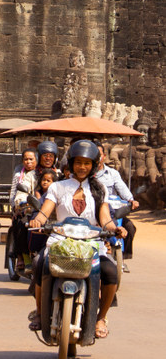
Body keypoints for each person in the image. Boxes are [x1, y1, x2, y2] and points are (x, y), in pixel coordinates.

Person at [28, 139, 125, 340]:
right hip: (60, 241)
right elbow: (45, 211)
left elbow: (105, 218)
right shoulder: (58, 187)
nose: (82, 167)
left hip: (91, 243)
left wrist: (115, 229)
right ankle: (39, 311)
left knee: (110, 270)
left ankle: (101, 317)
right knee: (39, 263)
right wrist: (38, 220)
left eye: (87, 163)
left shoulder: (100, 189)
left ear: (94, 165)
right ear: (71, 164)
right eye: (78, 162)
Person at [95, 142, 139, 271]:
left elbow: (121, 187)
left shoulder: (112, 173)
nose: (97, 157)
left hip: (112, 212)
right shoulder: (87, 174)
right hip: (93, 212)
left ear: (104, 156)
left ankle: (123, 258)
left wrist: (131, 199)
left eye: (100, 154)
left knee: (130, 227)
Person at [8, 149, 37, 270]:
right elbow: (14, 194)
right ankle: (22, 257)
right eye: (26, 159)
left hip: (42, 209)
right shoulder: (18, 175)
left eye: (31, 159)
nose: (28, 162)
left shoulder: (44, 173)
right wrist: (16, 208)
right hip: (24, 209)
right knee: (19, 223)